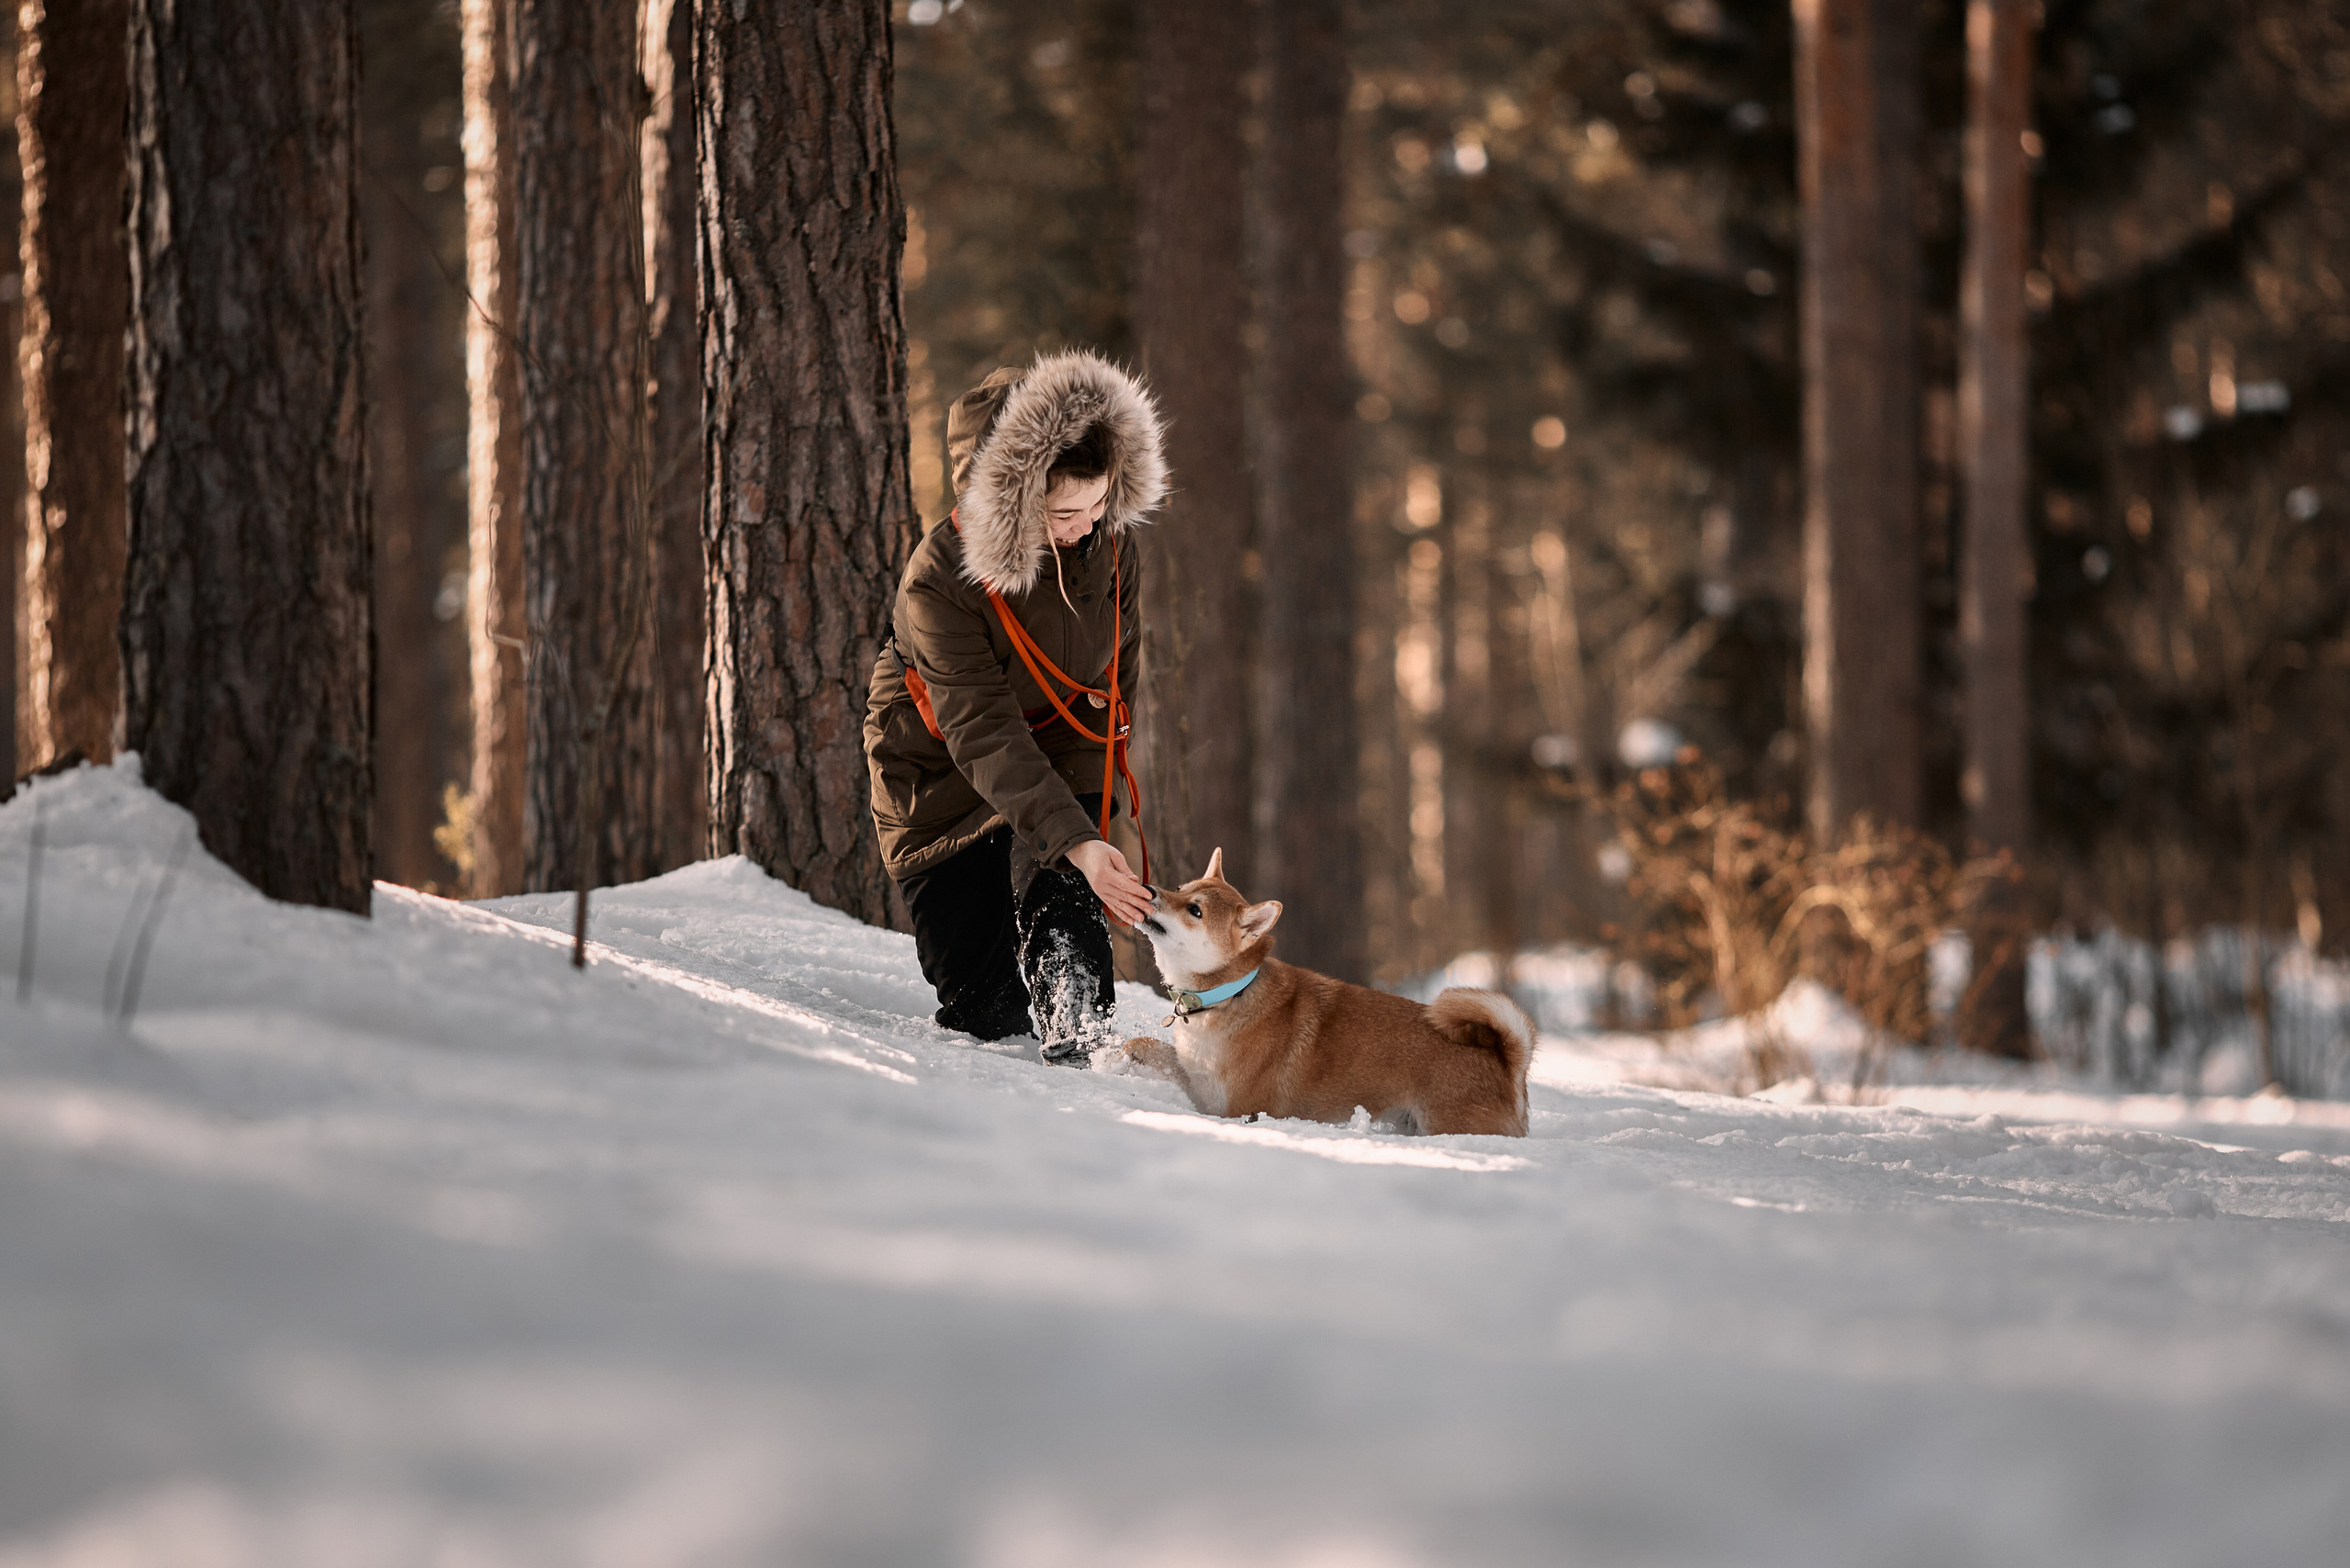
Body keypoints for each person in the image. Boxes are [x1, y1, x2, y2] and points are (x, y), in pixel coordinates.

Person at [864, 350, 1164, 1066]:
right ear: (1012, 499)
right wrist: (1076, 837)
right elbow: (982, 731)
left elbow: (1110, 697)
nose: (1087, 528)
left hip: (1059, 759)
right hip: (942, 782)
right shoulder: (938, 583)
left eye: (1099, 506)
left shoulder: (1111, 547)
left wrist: (1082, 839)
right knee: (985, 1015)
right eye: (1066, 513)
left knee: (1073, 964)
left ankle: (1085, 1058)